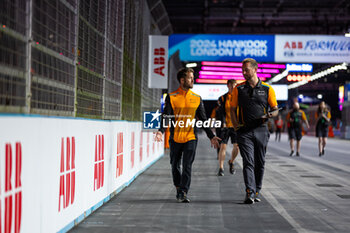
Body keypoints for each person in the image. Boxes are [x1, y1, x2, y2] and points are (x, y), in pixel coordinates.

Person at [155, 67, 221, 203]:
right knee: (174, 165)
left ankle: (183, 191)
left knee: (187, 166)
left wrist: (211, 136)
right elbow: (166, 116)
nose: (193, 80)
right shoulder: (172, 97)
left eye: (193, 77)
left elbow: (203, 120)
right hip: (175, 138)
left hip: (191, 137)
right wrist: (161, 131)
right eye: (190, 78)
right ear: (182, 80)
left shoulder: (197, 98)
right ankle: (178, 186)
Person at [230, 58, 279, 204]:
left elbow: (275, 109)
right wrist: (236, 126)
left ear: (255, 69)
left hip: (262, 130)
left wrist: (271, 115)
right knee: (248, 162)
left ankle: (257, 190)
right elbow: (232, 109)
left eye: (247, 70)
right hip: (244, 131)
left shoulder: (267, 89)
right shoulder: (238, 89)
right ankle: (249, 192)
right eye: (242, 70)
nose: (244, 72)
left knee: (260, 162)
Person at [217, 79, 240, 176]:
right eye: (231, 85)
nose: (233, 87)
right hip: (225, 126)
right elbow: (220, 112)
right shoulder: (222, 98)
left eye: (235, 85)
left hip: (236, 126)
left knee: (237, 147)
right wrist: (222, 123)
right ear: (228, 86)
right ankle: (221, 168)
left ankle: (231, 161)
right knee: (223, 147)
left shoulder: (239, 98)